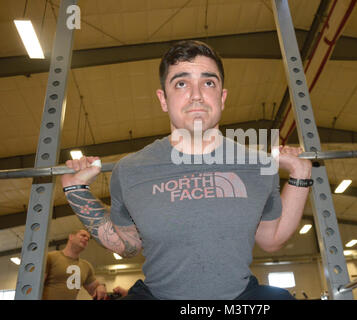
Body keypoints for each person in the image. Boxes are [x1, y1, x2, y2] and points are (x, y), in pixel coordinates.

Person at [61, 40, 312, 300]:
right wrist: (76, 192)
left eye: (208, 83)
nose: (196, 94)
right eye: (181, 83)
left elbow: (271, 240)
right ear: (163, 99)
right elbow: (128, 246)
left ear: (222, 97)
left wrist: (300, 176)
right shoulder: (130, 170)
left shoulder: (258, 165)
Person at [43, 229, 108, 300]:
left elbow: (95, 288)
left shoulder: (86, 266)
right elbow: (35, 285)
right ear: (71, 237)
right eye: (83, 235)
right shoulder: (50, 257)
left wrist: (101, 286)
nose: (86, 239)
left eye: (88, 239)